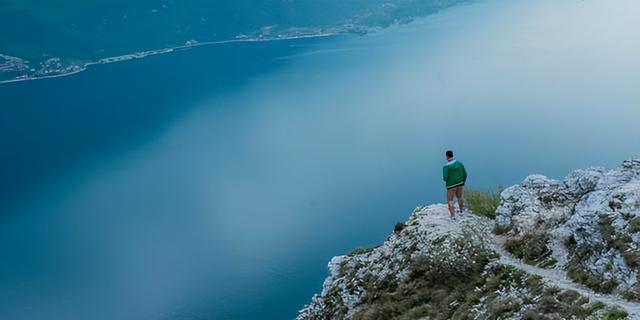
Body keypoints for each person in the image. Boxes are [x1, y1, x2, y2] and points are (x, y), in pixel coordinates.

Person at [443, 150, 467, 221]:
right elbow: (465, 174)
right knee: (460, 197)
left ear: (447, 156)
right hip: (460, 183)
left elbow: (445, 178)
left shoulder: (446, 167)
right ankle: (461, 211)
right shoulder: (459, 163)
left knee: (450, 200)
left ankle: (453, 216)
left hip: (451, 186)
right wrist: (463, 182)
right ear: (452, 155)